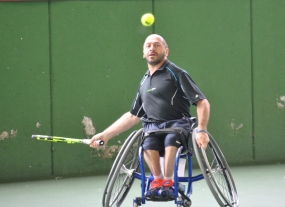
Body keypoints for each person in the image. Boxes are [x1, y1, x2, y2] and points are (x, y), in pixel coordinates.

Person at [90, 34, 210, 189]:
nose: (152, 48)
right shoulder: (144, 81)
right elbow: (133, 116)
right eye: (148, 45)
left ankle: (169, 180)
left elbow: (202, 102)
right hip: (153, 128)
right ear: (143, 53)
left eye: (157, 45)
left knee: (170, 139)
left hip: (178, 125)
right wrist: (105, 135)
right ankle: (158, 179)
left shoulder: (176, 73)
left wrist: (202, 129)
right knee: (147, 142)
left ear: (166, 51)